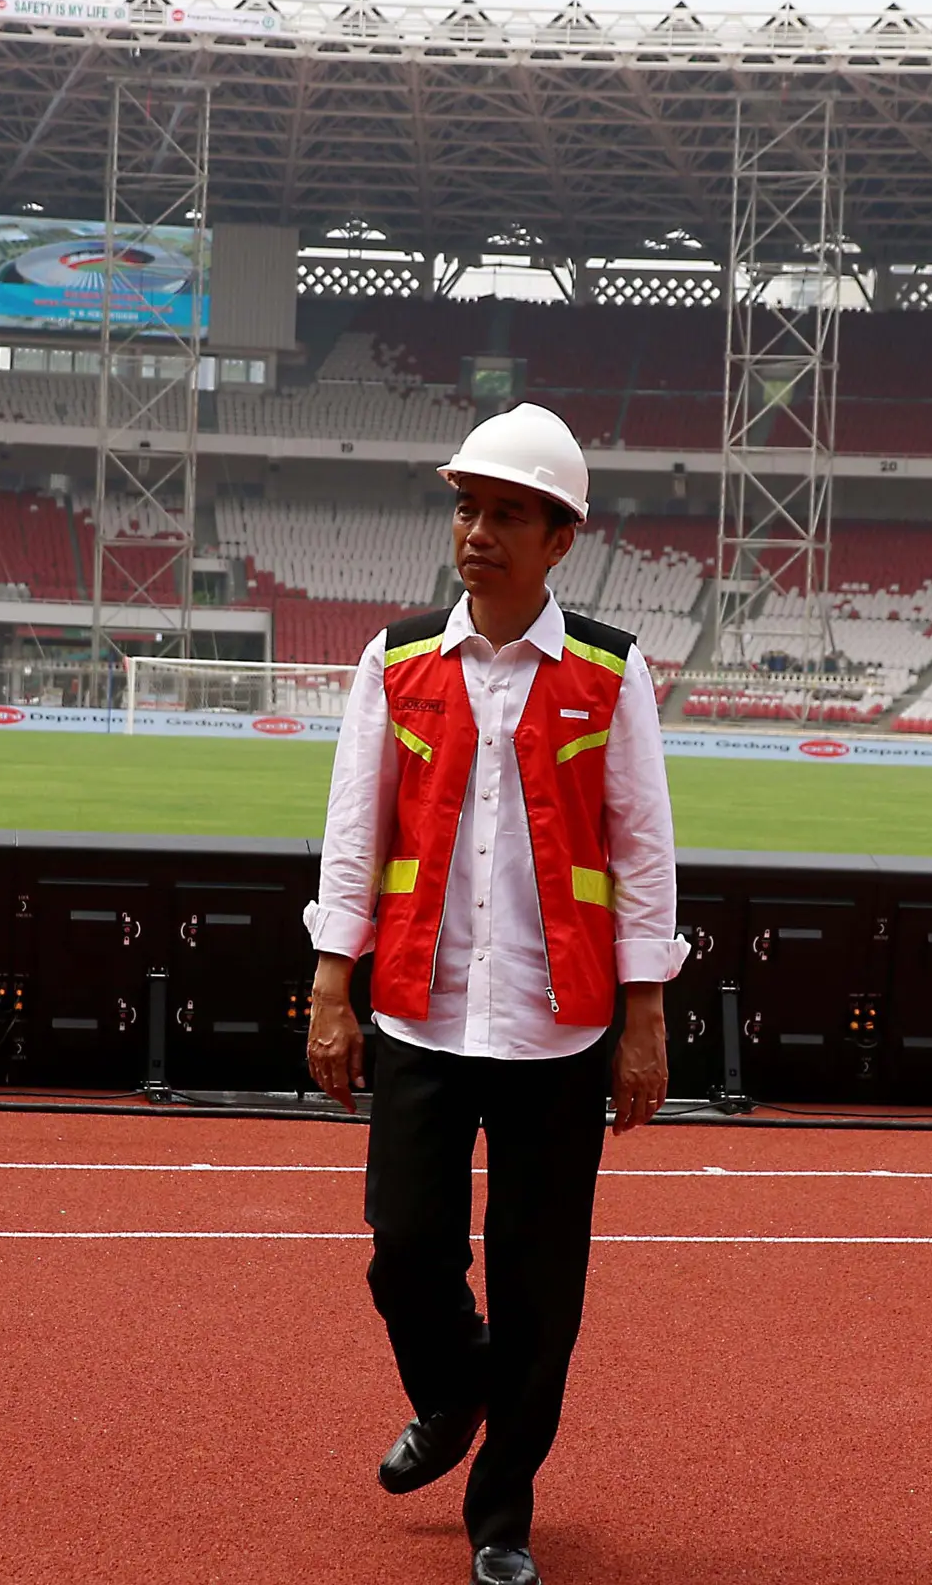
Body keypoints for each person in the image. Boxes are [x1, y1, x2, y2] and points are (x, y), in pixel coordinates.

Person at [302, 403, 683, 1585]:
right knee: (403, 1248)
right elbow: (354, 829)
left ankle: (501, 1514)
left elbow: (644, 849)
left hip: (560, 1023)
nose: (478, 531)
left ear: (559, 538)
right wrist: (331, 983)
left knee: (540, 1284)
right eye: (467, 507)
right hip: (420, 1002)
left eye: (508, 513)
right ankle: (455, 1389)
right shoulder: (397, 660)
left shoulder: (611, 673)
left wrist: (645, 1020)